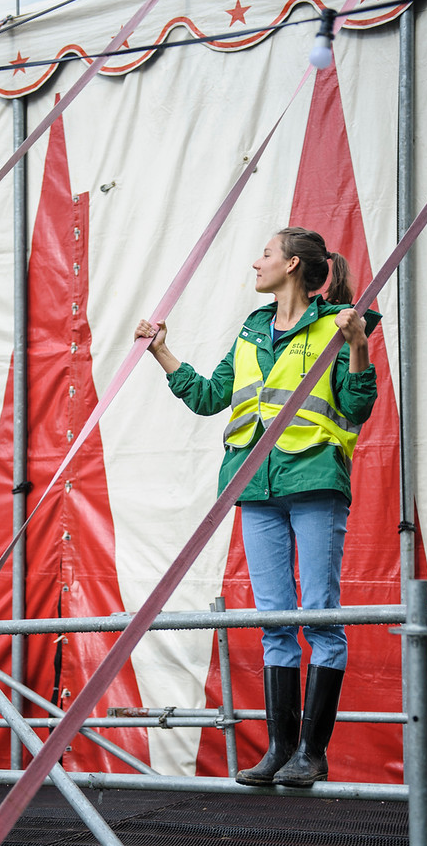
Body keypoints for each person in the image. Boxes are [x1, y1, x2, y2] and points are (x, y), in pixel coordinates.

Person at [134, 226, 379, 787]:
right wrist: (161, 351)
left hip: (314, 478)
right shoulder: (251, 331)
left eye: (264, 253)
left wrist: (360, 345)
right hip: (254, 486)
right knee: (273, 621)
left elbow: (358, 406)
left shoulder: (336, 326)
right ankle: (279, 751)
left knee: (317, 615)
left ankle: (311, 755)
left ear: (292, 265)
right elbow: (209, 398)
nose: (255, 263)